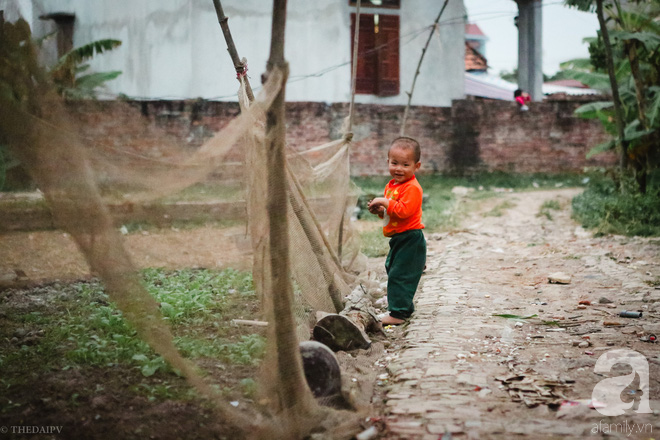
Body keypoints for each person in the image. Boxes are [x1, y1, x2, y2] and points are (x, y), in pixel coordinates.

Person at [367, 137, 427, 325]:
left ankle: (398, 314)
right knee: (391, 269)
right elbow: (391, 215)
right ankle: (405, 306)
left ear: (416, 166)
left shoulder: (412, 188)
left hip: (411, 238)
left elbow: (403, 211)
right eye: (394, 163)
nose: (399, 168)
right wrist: (381, 211)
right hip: (398, 238)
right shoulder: (391, 186)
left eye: (405, 164)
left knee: (399, 274)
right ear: (388, 162)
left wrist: (383, 201)